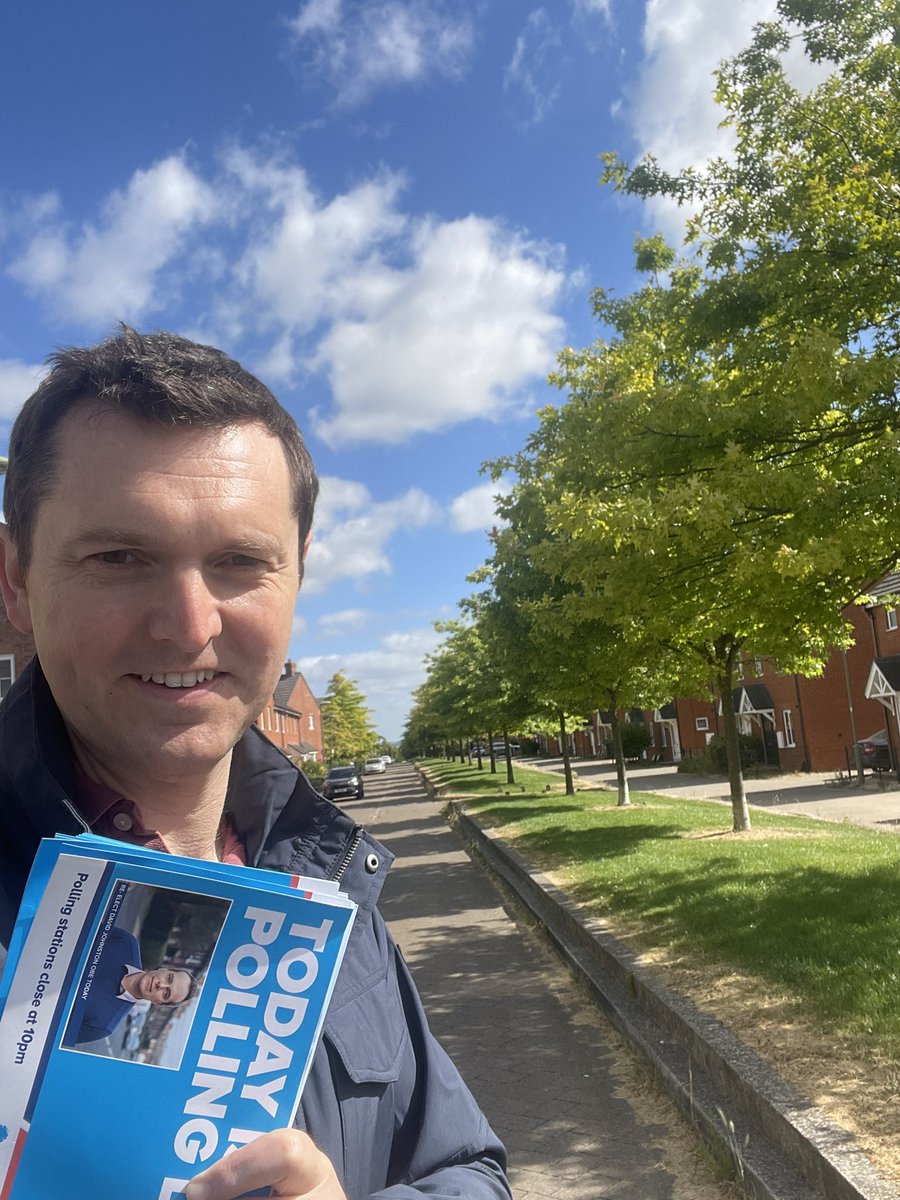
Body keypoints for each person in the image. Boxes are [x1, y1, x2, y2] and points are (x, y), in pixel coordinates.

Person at [0, 328, 510, 1200]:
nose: (190, 625)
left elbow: (464, 1168)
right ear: (13, 580)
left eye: (241, 562)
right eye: (121, 557)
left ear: (298, 578)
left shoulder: (325, 875)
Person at [71, 925, 194, 1044]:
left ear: (158, 1003)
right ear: (164, 969)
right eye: (169, 978)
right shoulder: (125, 942)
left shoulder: (103, 1026)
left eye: (166, 993)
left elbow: (52, 1035)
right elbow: (77, 924)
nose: (161, 985)